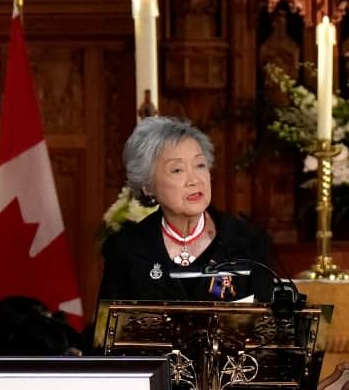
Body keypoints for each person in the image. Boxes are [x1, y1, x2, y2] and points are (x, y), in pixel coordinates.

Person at [99, 116, 271, 303]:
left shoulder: (246, 241)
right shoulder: (127, 249)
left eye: (200, 165)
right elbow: (107, 328)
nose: (194, 180)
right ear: (147, 186)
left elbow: (270, 323)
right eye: (177, 170)